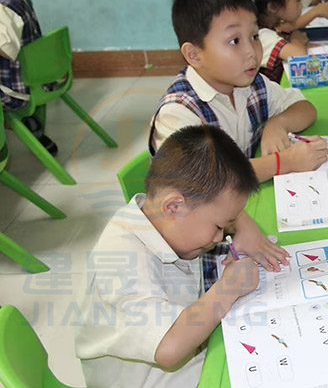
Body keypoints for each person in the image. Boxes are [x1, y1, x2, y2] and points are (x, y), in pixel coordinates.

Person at [150, 0, 328, 289]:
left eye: (255, 36)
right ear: (194, 55)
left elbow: (305, 108)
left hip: (242, 210)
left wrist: (279, 123)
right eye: (234, 41)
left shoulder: (251, 84)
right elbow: (208, 186)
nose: (252, 52)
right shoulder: (179, 113)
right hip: (200, 251)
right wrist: (283, 163)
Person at [76, 125, 262, 387]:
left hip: (188, 351)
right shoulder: (124, 261)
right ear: (173, 207)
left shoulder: (169, 225)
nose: (220, 237)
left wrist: (240, 225)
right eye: (218, 227)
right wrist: (229, 287)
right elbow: (169, 348)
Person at [0, 0, 56, 154]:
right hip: (38, 78)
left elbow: (6, 49)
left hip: (14, 91)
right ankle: (30, 125)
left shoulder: (2, 8)